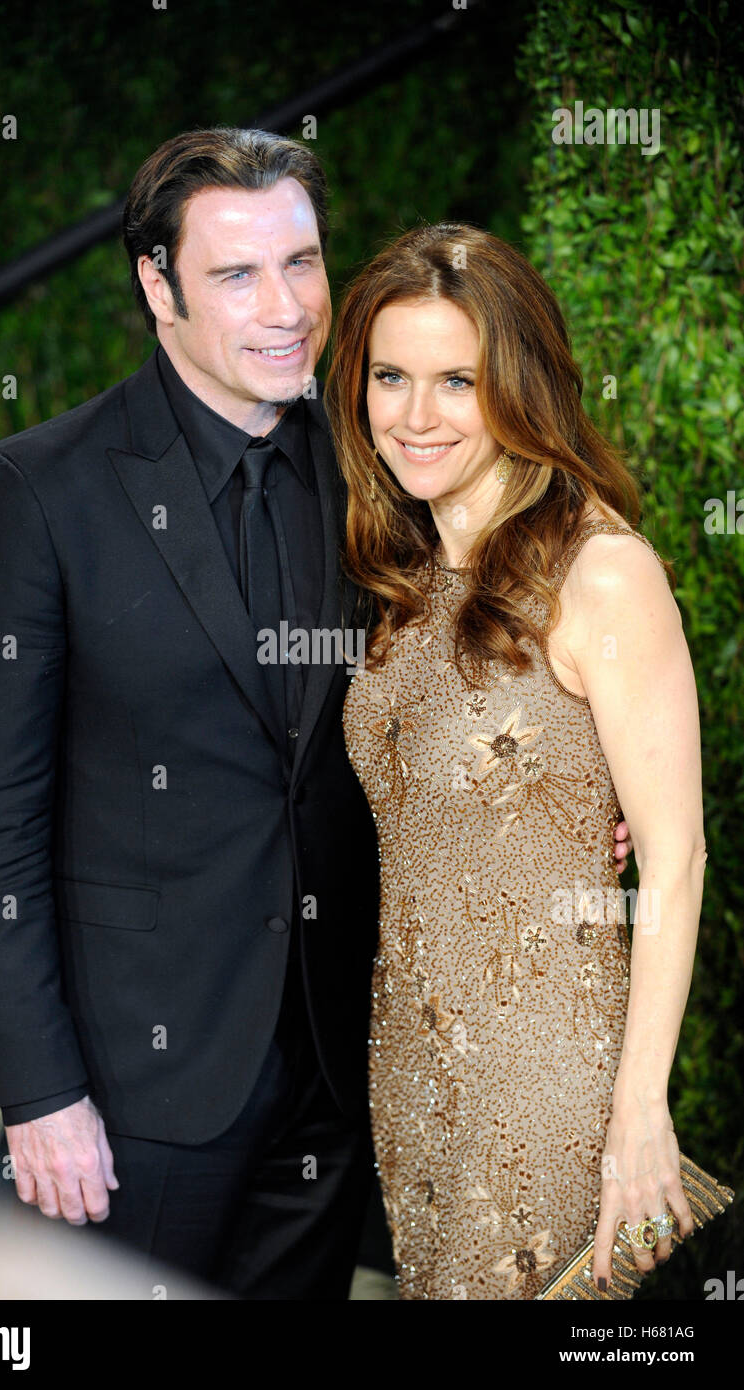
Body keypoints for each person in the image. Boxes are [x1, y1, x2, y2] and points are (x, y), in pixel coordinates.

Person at [0, 131, 633, 1300]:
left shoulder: (377, 471)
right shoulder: (34, 494)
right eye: (235, 275)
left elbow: (461, 689)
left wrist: (569, 807)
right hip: (132, 1088)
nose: (286, 308)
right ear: (157, 286)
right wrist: (37, 1092)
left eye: (302, 264)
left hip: (335, 1066)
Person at [329, 221, 702, 1300]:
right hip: (410, 1077)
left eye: (458, 381)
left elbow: (674, 863)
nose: (414, 414)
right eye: (389, 376)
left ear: (519, 386)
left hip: (554, 1092)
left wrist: (640, 1112)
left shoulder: (601, 573)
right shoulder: (401, 577)